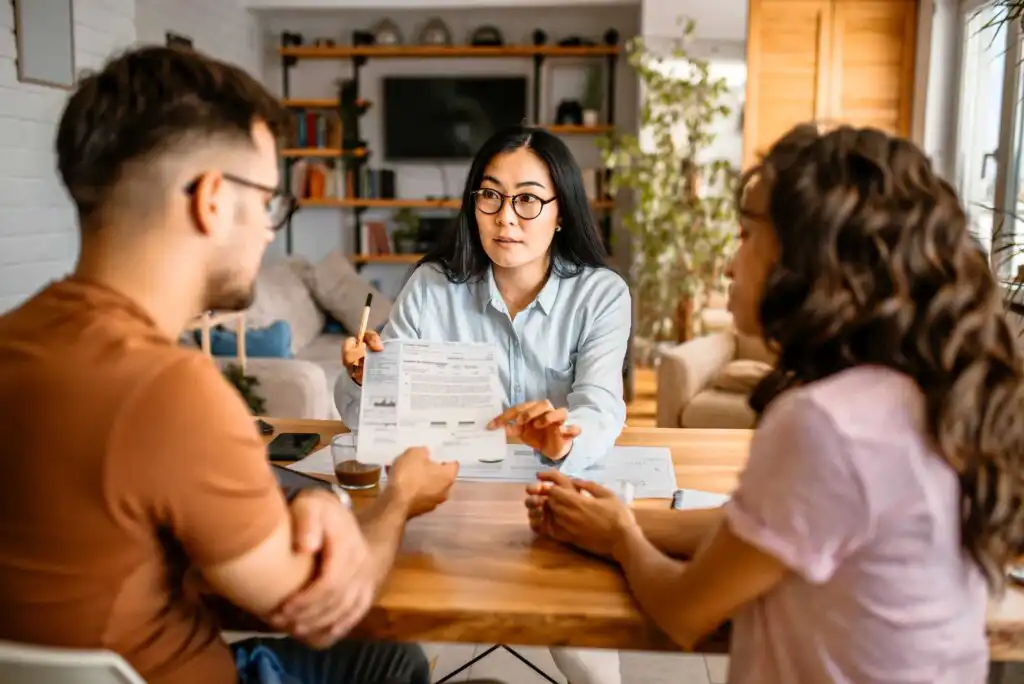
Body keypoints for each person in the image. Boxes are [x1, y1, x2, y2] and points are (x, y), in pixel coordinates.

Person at [0, 45, 505, 684]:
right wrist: (400, 496)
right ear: (212, 200)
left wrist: (301, 514)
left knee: (390, 660)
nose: (269, 232)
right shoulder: (171, 390)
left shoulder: (15, 340)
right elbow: (325, 608)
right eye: (269, 202)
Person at [525, 123, 1024, 683]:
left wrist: (621, 537)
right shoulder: (912, 394)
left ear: (807, 253)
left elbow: (685, 611)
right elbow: (761, 533)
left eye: (744, 235)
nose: (729, 266)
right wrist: (615, 517)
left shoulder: (827, 424)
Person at [338, 125, 631, 684]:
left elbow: (601, 405)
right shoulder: (431, 286)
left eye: (527, 199)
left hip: (553, 497)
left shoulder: (600, 294)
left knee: (591, 659)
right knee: (398, 650)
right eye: (490, 195)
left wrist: (564, 435)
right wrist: (366, 380)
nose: (506, 217)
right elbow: (376, 418)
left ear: (561, 210)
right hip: (448, 496)